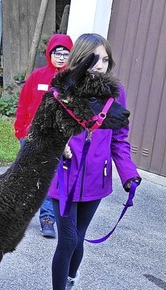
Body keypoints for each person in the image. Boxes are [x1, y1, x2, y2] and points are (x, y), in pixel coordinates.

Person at [46, 33, 142, 290]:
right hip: (64, 175)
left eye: (105, 59)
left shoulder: (116, 93)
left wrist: (128, 174)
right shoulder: (62, 88)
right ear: (80, 58)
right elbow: (45, 130)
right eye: (94, 58)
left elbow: (119, 139)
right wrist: (60, 144)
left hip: (95, 179)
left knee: (79, 238)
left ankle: (70, 280)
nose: (100, 64)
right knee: (67, 239)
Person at [14, 34, 73, 238]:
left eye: (65, 53)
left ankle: (47, 217)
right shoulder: (38, 76)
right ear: (50, 53)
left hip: (56, 139)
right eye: (57, 52)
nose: (61, 57)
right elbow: (24, 103)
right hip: (31, 136)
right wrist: (20, 130)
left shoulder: (72, 81)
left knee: (50, 177)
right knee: (25, 176)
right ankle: (18, 216)